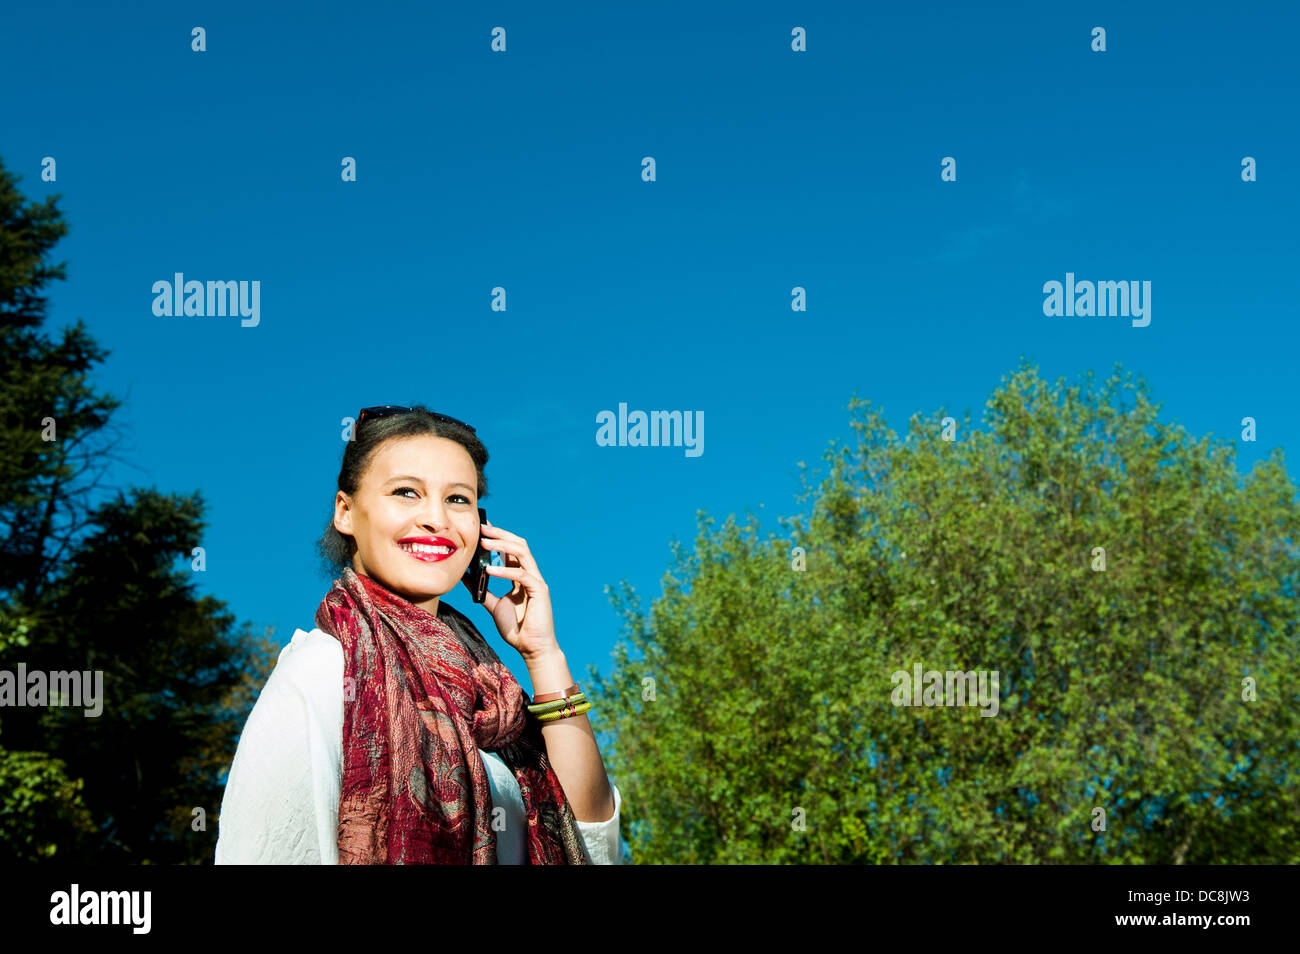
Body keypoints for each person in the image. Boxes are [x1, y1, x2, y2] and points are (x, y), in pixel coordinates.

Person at [214, 405, 623, 864]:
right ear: (345, 512)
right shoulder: (323, 671)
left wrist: (543, 654)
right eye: (406, 492)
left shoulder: (493, 693)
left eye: (458, 499)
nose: (437, 519)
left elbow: (593, 845)